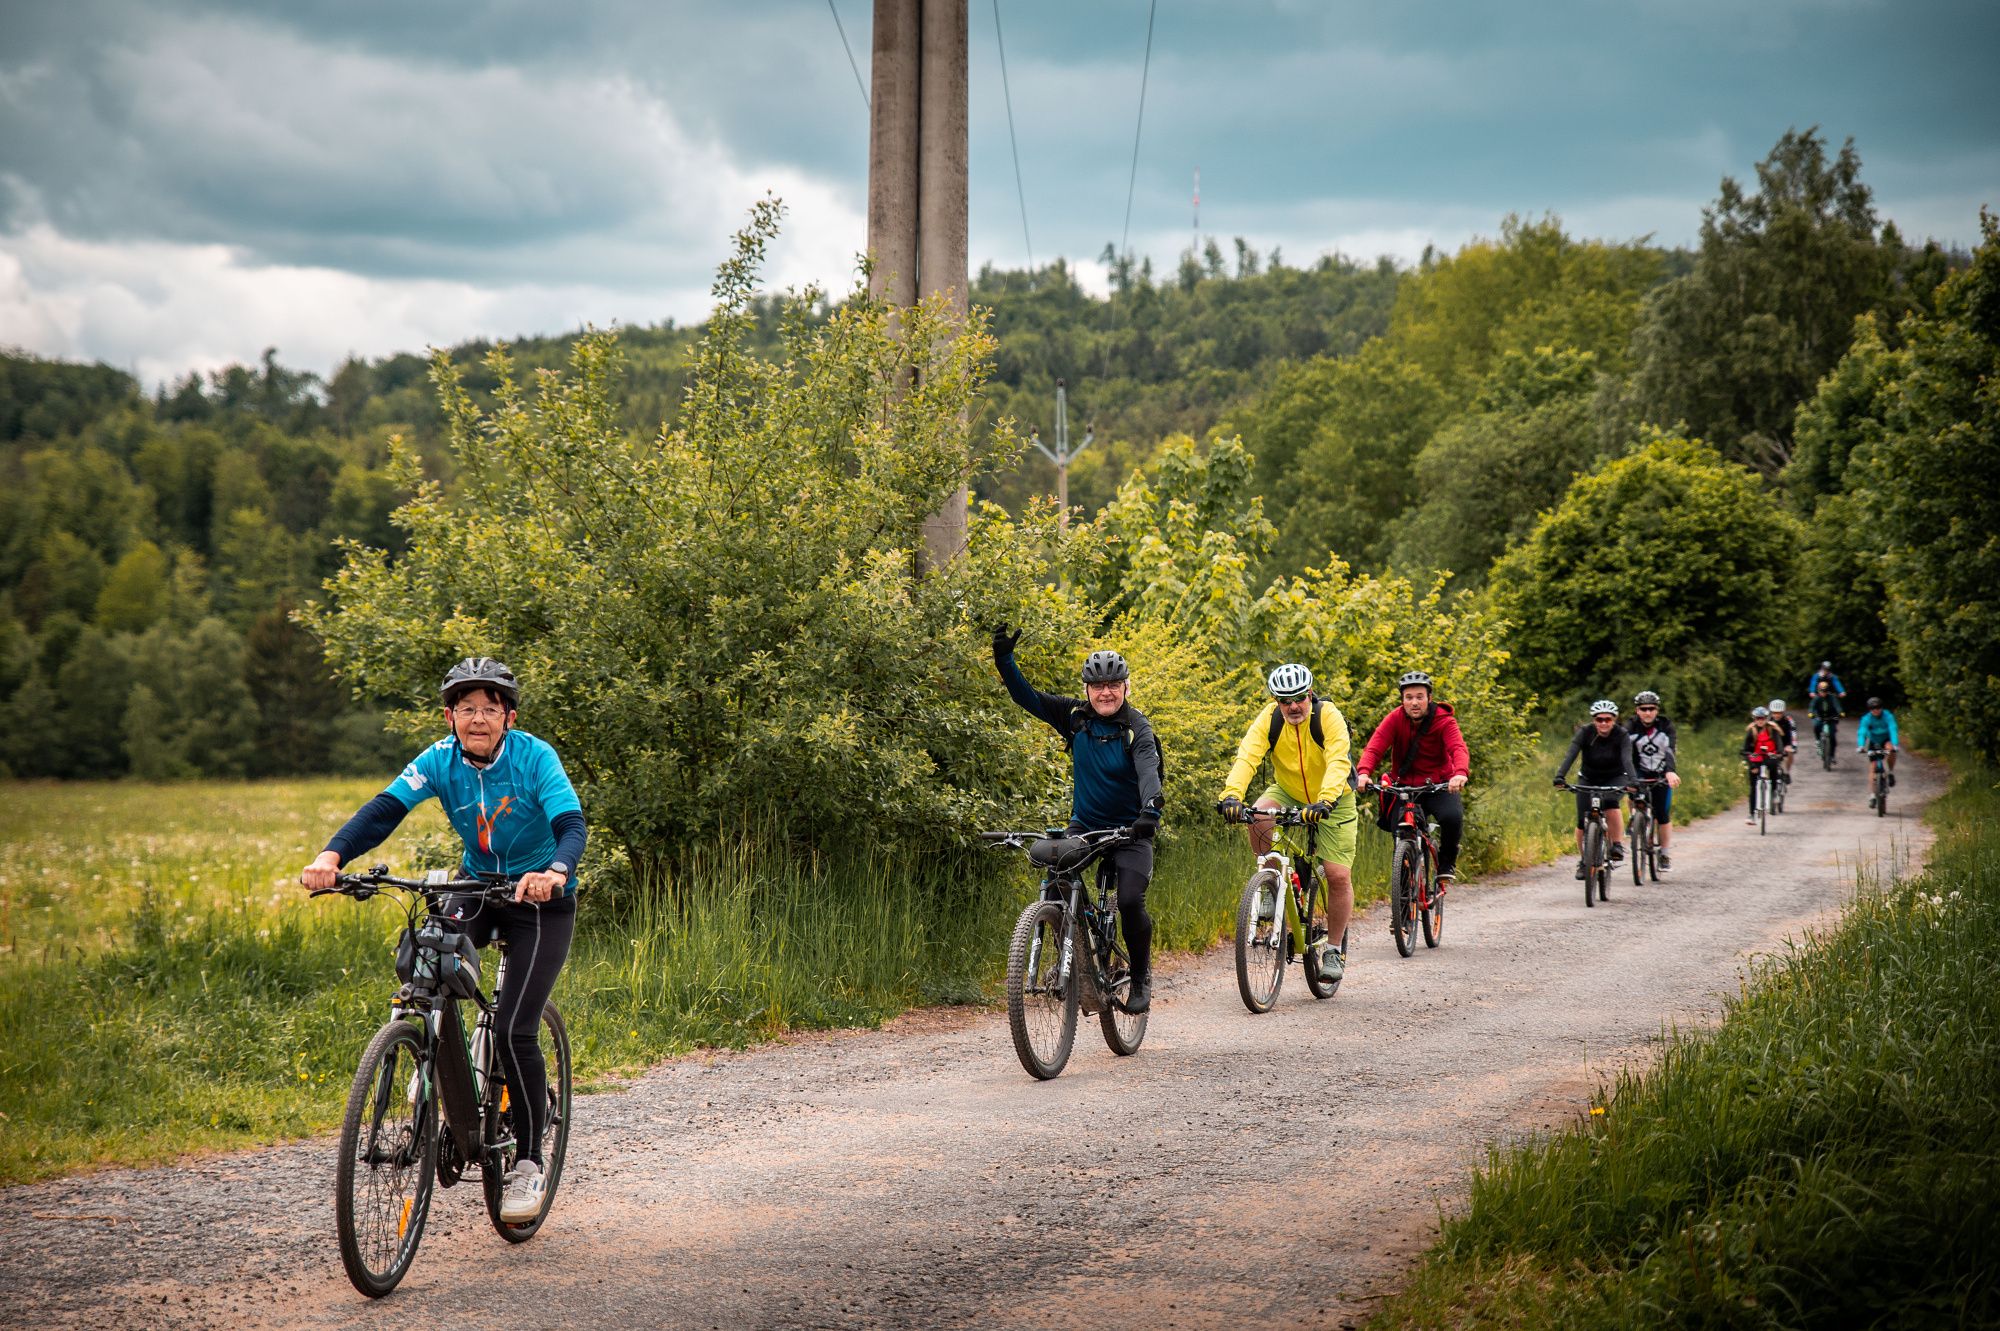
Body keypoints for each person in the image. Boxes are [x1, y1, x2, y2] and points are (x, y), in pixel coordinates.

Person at [301, 657, 586, 1223]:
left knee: (513, 1029)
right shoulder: (439, 759)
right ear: (450, 716)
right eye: (466, 708)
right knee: (424, 963)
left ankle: (529, 1162)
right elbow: (384, 809)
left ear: (508, 717)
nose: (478, 719)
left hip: (539, 900)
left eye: (489, 709)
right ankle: (430, 1060)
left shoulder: (535, 757)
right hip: (477, 886)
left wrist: (555, 871)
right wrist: (331, 856)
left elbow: (570, 824)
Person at [992, 629, 1165, 1012]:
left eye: (1114, 685)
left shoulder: (1137, 729)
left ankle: (1140, 976)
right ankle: (1073, 959)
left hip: (1132, 830)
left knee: (1129, 900)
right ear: (1086, 689)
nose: (1106, 693)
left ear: (1126, 686)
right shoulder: (1074, 718)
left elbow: (1149, 774)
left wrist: (1149, 812)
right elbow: (1027, 697)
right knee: (1056, 876)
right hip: (1085, 826)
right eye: (1098, 686)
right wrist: (1004, 660)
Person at [1217, 663, 1357, 981]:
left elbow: (1338, 760)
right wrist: (1232, 795)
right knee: (1257, 815)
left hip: (1334, 798)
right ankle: (1270, 885)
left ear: (1310, 694)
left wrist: (1325, 800)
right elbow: (1247, 757)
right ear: (1276, 700)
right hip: (1288, 790)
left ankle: (1334, 949)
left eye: (1299, 698)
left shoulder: (1328, 716)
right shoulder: (1270, 719)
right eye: (1284, 700)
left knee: (1337, 875)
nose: (1293, 706)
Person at [1353, 670, 1469, 887]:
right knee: (1400, 831)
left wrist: (1460, 773)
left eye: (1419, 697)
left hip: (1438, 785)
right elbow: (1374, 748)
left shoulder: (1444, 721)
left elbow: (1458, 748)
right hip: (1404, 787)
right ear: (1402, 700)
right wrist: (1363, 773)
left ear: (1429, 698)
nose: (1414, 702)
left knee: (1452, 817)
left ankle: (1446, 864)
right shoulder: (1395, 719)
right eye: (1409, 697)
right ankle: (1404, 893)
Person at [1554, 700, 1639, 874]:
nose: (1604, 723)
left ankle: (1616, 845)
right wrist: (1560, 776)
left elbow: (1627, 759)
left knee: (1611, 804)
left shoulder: (1621, 734)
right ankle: (1584, 861)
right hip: (1588, 778)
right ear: (1594, 720)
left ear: (1614, 720)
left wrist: (1633, 780)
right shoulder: (1585, 732)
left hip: (1615, 777)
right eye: (1599, 719)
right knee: (1581, 821)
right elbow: (1571, 754)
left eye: (1608, 719)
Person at [1624, 690, 1683, 870]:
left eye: (1651, 708)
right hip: (1639, 771)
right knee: (1631, 791)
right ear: (1637, 710)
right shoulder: (1630, 726)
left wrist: (1670, 771)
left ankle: (1664, 854)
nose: (1648, 712)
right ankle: (1634, 816)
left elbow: (1670, 750)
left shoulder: (1666, 726)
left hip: (1661, 772)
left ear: (1657, 710)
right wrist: (1626, 774)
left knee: (1663, 814)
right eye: (1643, 709)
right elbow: (1625, 752)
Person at [1741, 705, 1787, 823]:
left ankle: (1774, 792)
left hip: (1770, 757)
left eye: (1762, 718)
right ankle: (1752, 814)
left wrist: (1780, 753)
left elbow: (1779, 745)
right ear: (1754, 719)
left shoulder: (1772, 729)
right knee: (1753, 786)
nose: (1760, 721)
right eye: (1758, 718)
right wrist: (1750, 759)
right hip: (1756, 759)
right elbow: (1745, 749)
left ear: (1766, 718)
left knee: (1774, 768)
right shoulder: (1752, 731)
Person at [1855, 697, 1901, 807]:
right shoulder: (1866, 718)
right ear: (1869, 709)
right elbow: (1862, 731)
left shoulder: (1888, 716)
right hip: (1874, 742)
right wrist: (1861, 746)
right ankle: (1872, 796)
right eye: (1872, 708)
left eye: (1878, 707)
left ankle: (1890, 772)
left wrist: (1895, 744)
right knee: (1873, 767)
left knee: (1890, 749)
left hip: (1886, 739)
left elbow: (1893, 728)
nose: (1875, 710)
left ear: (1882, 707)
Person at [1809, 682, 1844, 765]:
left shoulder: (1832, 698)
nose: (1823, 693)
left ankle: (1832, 756)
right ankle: (1818, 741)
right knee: (1816, 726)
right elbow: (1812, 706)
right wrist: (1811, 713)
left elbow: (1837, 706)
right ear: (1818, 691)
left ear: (1827, 691)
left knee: (1832, 737)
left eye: (1825, 691)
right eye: (1821, 691)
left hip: (1831, 718)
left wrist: (1840, 712)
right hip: (1820, 717)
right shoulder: (1816, 698)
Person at [1769, 698, 1799, 783]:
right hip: (1774, 742)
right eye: (1775, 713)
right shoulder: (1768, 721)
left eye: (1779, 713)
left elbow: (1793, 733)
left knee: (1789, 753)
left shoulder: (1789, 720)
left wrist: (1793, 746)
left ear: (1783, 712)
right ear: (1771, 712)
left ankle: (1786, 773)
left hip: (1786, 741)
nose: (1777, 715)